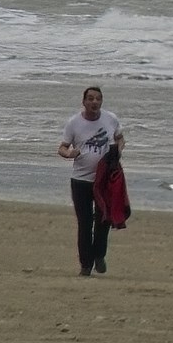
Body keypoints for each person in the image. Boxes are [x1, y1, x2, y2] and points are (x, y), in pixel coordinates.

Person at [57, 86, 125, 277]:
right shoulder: (74, 123)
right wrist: (69, 154)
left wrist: (118, 151)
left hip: (104, 181)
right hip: (81, 181)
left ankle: (99, 255)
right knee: (85, 223)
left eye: (98, 99)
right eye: (91, 98)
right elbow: (62, 147)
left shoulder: (110, 118)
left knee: (103, 221)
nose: (94, 102)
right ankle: (85, 265)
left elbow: (120, 138)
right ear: (84, 101)